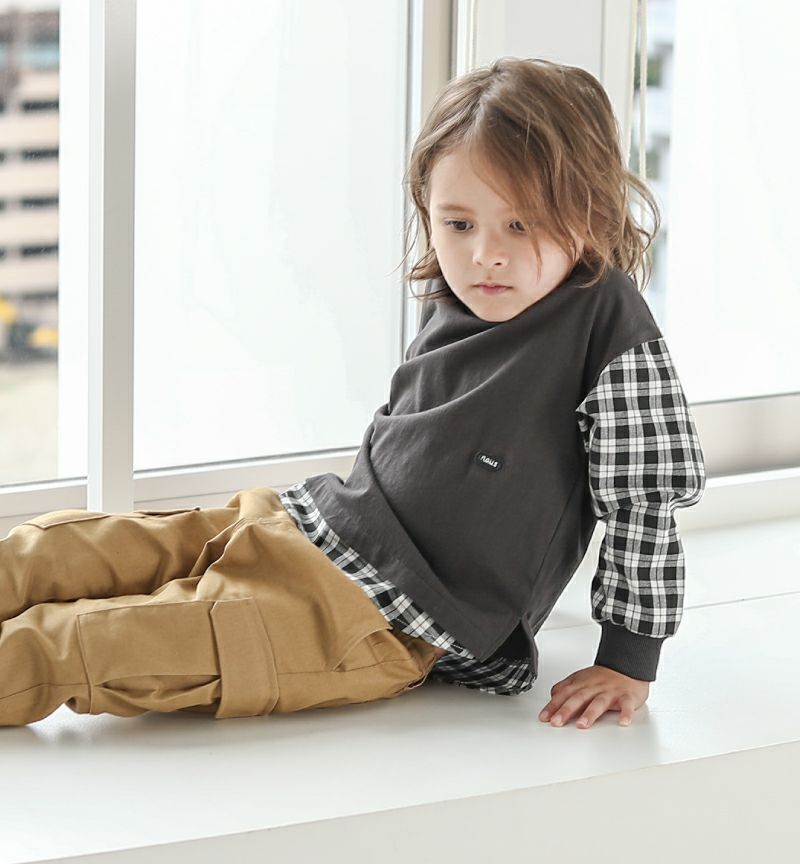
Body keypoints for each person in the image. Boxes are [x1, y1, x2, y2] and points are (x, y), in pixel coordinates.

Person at [0, 56, 705, 729]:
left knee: (82, 644)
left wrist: (628, 660)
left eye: (521, 224)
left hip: (381, 624)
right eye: (458, 223)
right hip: (310, 523)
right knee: (69, 549)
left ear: (588, 210)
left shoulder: (606, 326)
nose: (484, 253)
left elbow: (646, 498)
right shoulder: (462, 289)